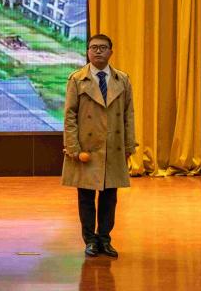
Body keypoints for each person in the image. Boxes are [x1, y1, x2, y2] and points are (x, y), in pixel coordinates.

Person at [62, 34, 136, 258]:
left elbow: (128, 115)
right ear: (87, 52)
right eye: (93, 47)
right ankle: (90, 240)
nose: (98, 51)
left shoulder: (122, 79)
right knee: (86, 197)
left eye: (103, 47)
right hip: (86, 148)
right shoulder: (77, 79)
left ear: (111, 52)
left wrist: (128, 146)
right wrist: (73, 148)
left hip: (112, 147)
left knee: (109, 197)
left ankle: (104, 238)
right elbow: (69, 115)